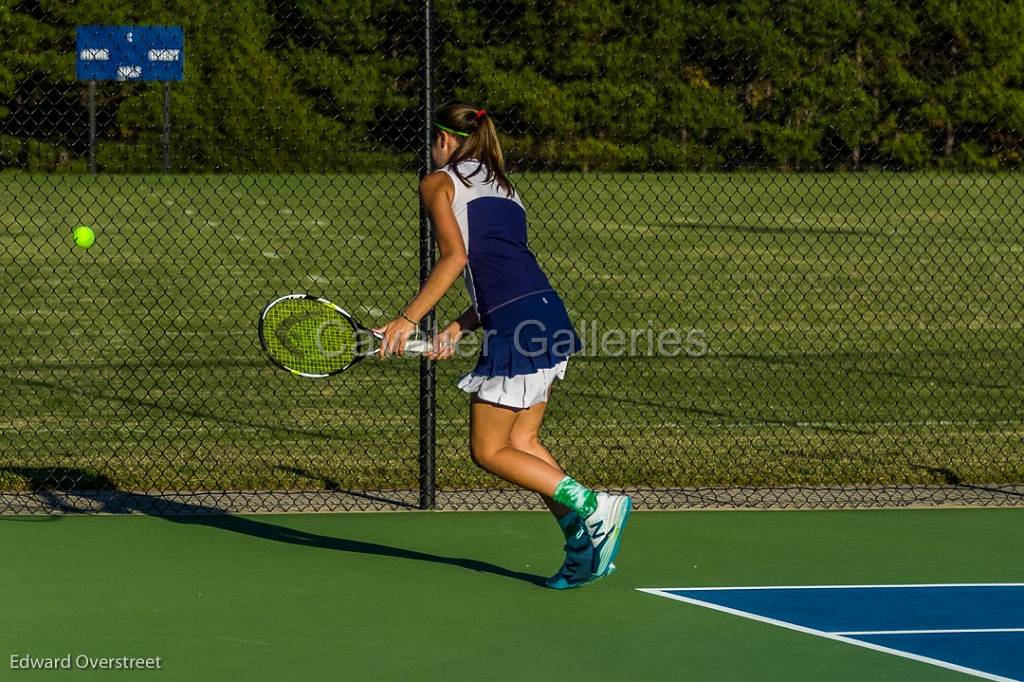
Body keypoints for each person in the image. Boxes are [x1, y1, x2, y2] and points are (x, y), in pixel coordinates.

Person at [376, 102, 631, 589]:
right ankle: (583, 546)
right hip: (545, 312)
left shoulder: (438, 181)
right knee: (524, 443)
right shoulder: (508, 190)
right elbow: (500, 271)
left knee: (489, 449)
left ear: (445, 141)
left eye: (433, 141)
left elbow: (456, 259)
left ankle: (597, 506)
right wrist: (459, 327)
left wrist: (408, 319)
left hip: (516, 323)